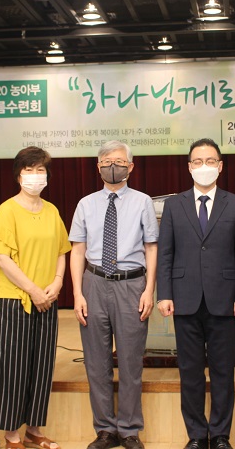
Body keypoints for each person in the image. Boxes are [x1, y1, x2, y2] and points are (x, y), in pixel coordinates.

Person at [157, 138, 235, 449]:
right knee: (190, 372)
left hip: (224, 300)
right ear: (189, 167)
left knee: (223, 371)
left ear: (220, 166)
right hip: (184, 299)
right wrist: (164, 294)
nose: (204, 167)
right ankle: (197, 435)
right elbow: (165, 254)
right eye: (197, 162)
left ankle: (221, 435)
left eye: (210, 161)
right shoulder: (174, 205)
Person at [69, 141, 159, 449]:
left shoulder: (143, 201)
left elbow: (151, 247)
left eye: (119, 161)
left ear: (130, 167)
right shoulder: (85, 203)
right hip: (94, 283)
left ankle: (130, 429)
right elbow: (77, 249)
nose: (112, 166)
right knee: (96, 362)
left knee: (131, 361)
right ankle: (105, 429)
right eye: (107, 161)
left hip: (132, 284)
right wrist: (77, 293)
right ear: (98, 167)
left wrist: (149, 289)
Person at [0, 147, 71, 449]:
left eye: (40, 170)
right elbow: (1, 258)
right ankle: (11, 434)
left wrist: (57, 282)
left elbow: (62, 251)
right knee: (14, 368)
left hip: (47, 299)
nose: (35, 176)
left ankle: (34, 429)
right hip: (15, 300)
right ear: (18, 175)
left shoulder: (51, 211)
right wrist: (33, 290)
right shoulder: (7, 210)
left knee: (42, 367)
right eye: (29, 170)